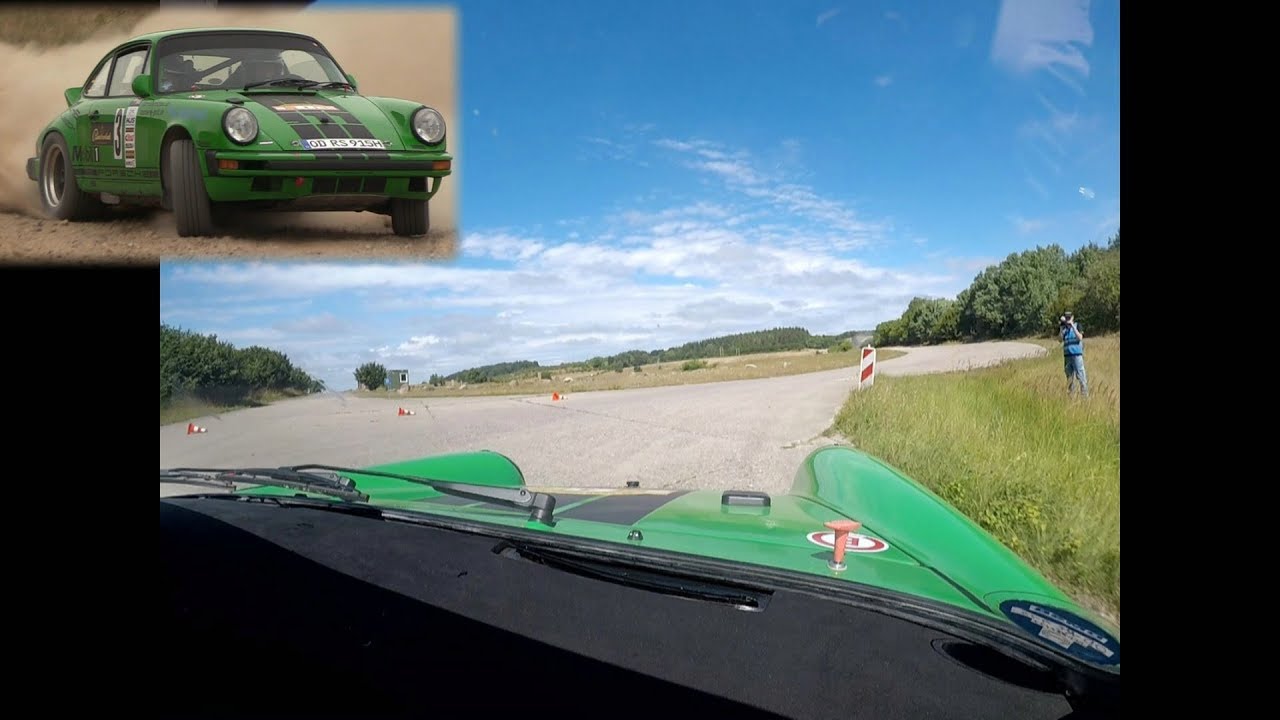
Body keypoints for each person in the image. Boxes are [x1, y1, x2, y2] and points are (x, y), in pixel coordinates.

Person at [1060, 311, 1087, 397]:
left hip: (1077, 355)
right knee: (1069, 378)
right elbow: (1060, 339)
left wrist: (1072, 326)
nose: (1068, 319)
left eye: (1069, 318)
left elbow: (1080, 337)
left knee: (1081, 376)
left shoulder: (1077, 325)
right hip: (1067, 356)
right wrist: (1061, 327)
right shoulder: (1064, 329)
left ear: (1072, 317)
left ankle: (1085, 397)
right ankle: (1071, 397)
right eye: (1066, 318)